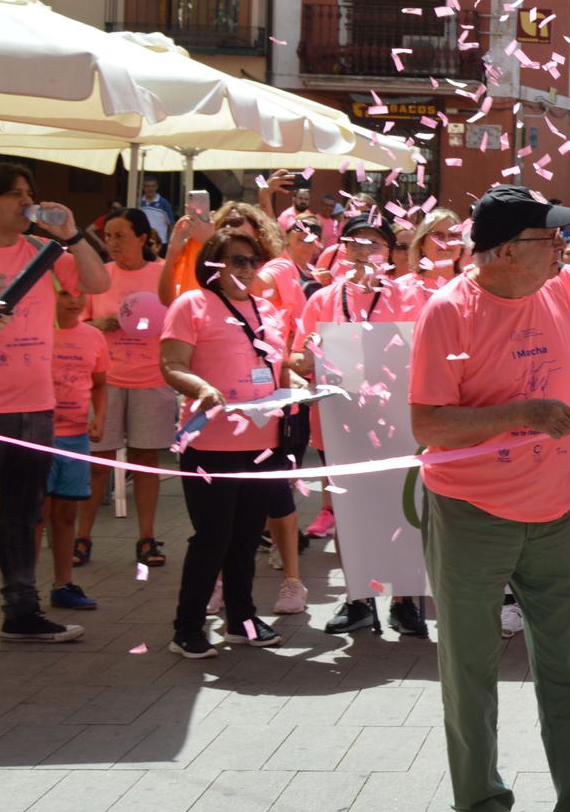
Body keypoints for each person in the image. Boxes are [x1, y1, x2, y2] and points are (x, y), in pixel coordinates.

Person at [408, 184, 570, 812]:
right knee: (471, 666)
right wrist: (524, 414)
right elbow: (429, 425)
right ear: (506, 252)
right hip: (469, 511)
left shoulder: (557, 294)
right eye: (550, 239)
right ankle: (478, 807)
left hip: (554, 507)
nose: (565, 249)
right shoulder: (447, 311)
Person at [158, 228, 303, 658]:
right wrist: (200, 386)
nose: (247, 269)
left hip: (263, 442)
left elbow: (278, 373)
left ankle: (242, 619)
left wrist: (299, 382)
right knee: (213, 537)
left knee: (244, 537)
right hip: (211, 444)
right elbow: (170, 364)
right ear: (214, 265)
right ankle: (187, 627)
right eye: (236, 260)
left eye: (253, 261)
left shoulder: (269, 311)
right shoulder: (192, 304)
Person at [293, 216, 428, 637]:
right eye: (354, 243)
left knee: (401, 512)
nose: (364, 251)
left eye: (375, 244)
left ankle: (405, 601)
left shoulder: (409, 296)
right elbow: (298, 356)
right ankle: (359, 600)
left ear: (390, 254)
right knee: (351, 515)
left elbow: (428, 348)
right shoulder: (323, 300)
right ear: (342, 250)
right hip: (341, 423)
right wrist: (310, 367)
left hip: (398, 424)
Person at [0, 163, 109, 643]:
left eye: (29, 193)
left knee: (24, 512)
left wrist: (72, 235)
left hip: (35, 408)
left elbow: (98, 284)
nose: (26, 202)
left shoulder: (42, 252)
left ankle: (22, 611)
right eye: (14, 194)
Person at [77, 209, 172, 570]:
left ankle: (147, 538)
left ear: (143, 237)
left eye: (120, 235)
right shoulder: (98, 275)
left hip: (152, 379)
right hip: (105, 382)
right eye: (109, 236)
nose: (112, 243)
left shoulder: (163, 274)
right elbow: (77, 321)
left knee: (146, 462)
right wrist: (97, 325)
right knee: (97, 465)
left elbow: (177, 321)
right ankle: (82, 537)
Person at [43, 279, 108, 612]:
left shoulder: (93, 337)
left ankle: (63, 584)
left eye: (79, 293)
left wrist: (99, 417)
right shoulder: (36, 332)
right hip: (37, 438)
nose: (73, 301)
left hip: (76, 438)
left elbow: (99, 384)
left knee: (67, 513)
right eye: (65, 293)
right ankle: (22, 591)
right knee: (37, 514)